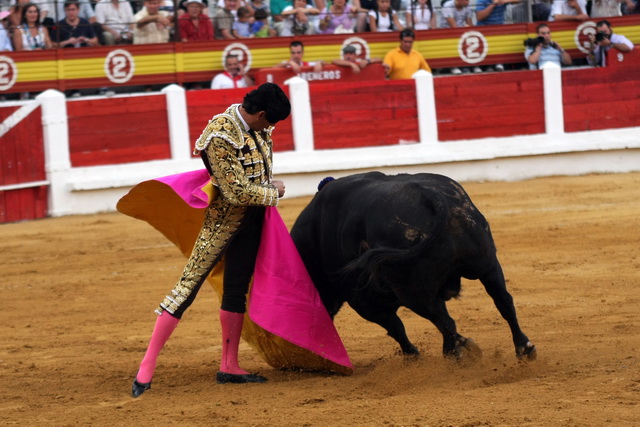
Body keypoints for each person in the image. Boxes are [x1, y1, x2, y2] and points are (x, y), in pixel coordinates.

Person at [131, 83, 291, 397]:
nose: (271, 128)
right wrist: (274, 191)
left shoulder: (256, 129)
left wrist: (266, 186)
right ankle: (145, 367)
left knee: (236, 290)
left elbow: (253, 178)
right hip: (223, 222)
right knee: (186, 288)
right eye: (270, 121)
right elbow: (236, 192)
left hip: (253, 221)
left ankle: (229, 365)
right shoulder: (220, 134)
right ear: (260, 114)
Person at [475, 0, 521, 72]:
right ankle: (488, 65)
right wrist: (494, 4)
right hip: (484, 31)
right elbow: (479, 17)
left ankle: (498, 62)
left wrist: (505, 1)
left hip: (498, 30)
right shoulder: (481, 1)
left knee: (501, 38)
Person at [440, 0, 473, 74]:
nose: (468, 2)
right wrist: (465, 29)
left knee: (470, 36)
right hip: (447, 32)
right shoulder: (448, 6)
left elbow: (470, 25)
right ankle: (453, 66)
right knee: (454, 37)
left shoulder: (467, 6)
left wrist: (468, 28)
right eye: (466, 0)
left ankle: (468, 65)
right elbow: (453, 27)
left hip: (460, 31)